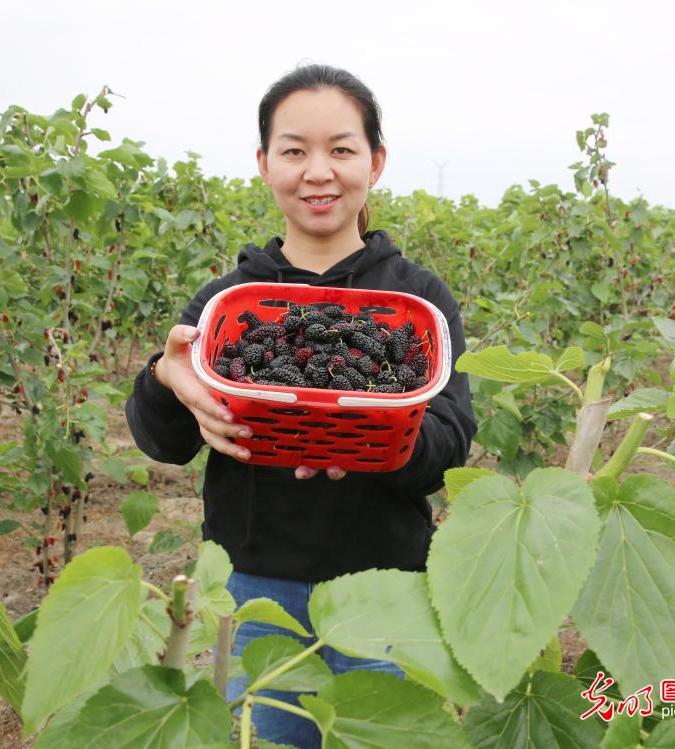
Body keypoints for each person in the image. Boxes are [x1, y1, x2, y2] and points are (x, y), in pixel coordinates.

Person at [124, 64, 476, 748]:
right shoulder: (229, 302)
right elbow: (164, 441)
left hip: (386, 585)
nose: (318, 171)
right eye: (293, 150)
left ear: (374, 161)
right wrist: (165, 379)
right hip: (256, 585)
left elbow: (448, 441)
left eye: (341, 149)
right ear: (263, 164)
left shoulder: (416, 299)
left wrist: (382, 441)